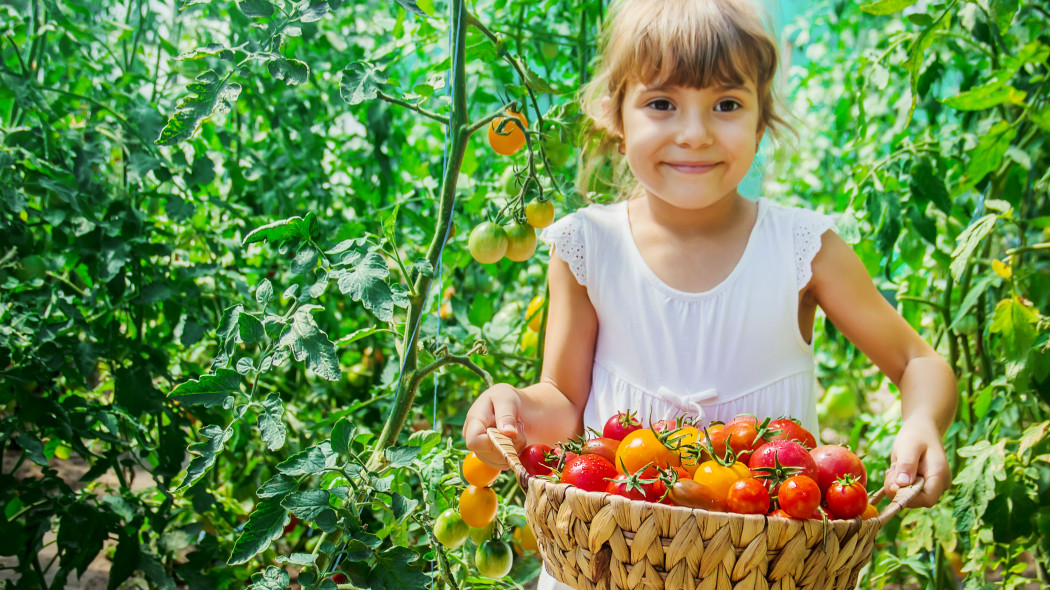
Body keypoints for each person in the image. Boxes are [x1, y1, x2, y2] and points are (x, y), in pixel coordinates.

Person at [463, 0, 956, 586]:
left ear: (761, 117)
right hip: (612, 566)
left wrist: (922, 421)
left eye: (726, 104)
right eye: (662, 104)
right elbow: (562, 404)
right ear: (613, 115)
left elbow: (917, 361)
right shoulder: (587, 245)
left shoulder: (803, 247)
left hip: (767, 570)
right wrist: (511, 408)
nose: (694, 135)